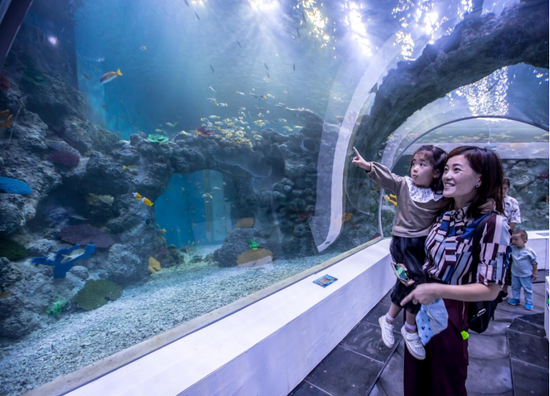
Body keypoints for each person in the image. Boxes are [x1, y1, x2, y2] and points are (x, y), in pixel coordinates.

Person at [400, 146, 510, 396]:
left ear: (480, 178)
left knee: (445, 382)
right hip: (421, 308)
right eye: (446, 169)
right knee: (415, 379)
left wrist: (436, 288)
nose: (447, 175)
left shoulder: (494, 223)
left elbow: (490, 290)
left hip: (451, 313)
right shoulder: (443, 212)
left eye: (456, 169)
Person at [351, 145, 448, 360]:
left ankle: (387, 319)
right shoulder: (405, 185)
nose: (415, 169)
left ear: (436, 172)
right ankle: (410, 329)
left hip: (423, 246)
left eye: (423, 165)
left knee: (405, 283)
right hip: (402, 244)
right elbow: (388, 178)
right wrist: (367, 166)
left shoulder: (441, 196)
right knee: (416, 284)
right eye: (414, 163)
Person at [501, 178, 521, 299]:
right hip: (492, 237)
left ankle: (504, 290)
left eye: (505, 188)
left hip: (507, 237)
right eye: (500, 188)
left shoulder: (512, 201)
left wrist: (505, 232)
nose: (502, 191)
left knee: (507, 263)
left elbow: (514, 219)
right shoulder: (491, 200)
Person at [507, 228, 538, 310]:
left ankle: (529, 302)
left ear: (525, 240)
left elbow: (534, 262)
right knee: (515, 287)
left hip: (526, 274)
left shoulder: (529, 251)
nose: (513, 241)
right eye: (512, 239)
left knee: (527, 289)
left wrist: (535, 273)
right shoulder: (512, 248)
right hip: (515, 273)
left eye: (516, 239)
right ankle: (516, 299)